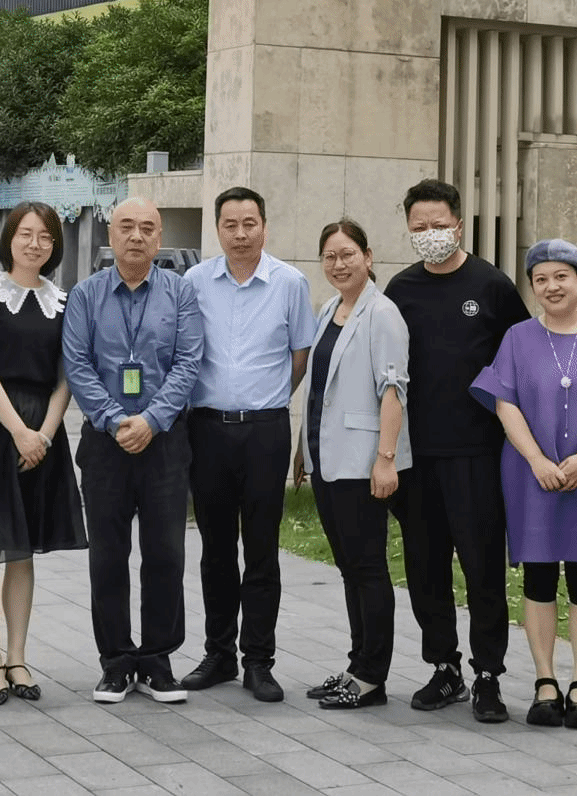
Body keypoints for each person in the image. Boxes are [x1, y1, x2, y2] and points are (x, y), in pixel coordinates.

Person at [470, 239, 577, 731]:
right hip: (534, 476)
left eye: (561, 276)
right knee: (539, 573)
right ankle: (545, 682)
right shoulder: (518, 338)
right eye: (541, 279)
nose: (551, 286)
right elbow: (504, 402)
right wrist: (537, 460)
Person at [383, 179, 530, 722]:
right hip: (417, 457)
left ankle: (488, 675)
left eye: (439, 224)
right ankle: (444, 667)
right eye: (419, 227)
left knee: (482, 569)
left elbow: (522, 362)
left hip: (478, 455)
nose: (430, 234)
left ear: (459, 225)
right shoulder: (400, 290)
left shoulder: (492, 286)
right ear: (408, 229)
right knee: (425, 569)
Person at [63, 198, 204, 705]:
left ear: (159, 238)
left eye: (147, 228)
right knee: (108, 555)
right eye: (127, 226)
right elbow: (77, 364)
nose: (137, 236)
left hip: (165, 442)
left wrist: (151, 420)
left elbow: (188, 362)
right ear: (111, 234)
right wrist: (113, 418)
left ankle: (158, 661)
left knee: (165, 552)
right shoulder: (85, 295)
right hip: (105, 443)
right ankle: (117, 662)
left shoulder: (180, 293)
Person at [179, 187, 314, 704]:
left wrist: (265, 398)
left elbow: (299, 357)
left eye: (249, 223)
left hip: (264, 431)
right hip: (207, 429)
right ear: (218, 229)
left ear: (264, 226)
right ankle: (219, 654)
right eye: (230, 225)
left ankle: (259, 661)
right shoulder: (194, 282)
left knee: (261, 549)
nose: (240, 234)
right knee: (215, 549)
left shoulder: (290, 283)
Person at [0, 202, 88, 705]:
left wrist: (45, 436)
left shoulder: (65, 300)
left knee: (24, 548)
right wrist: (19, 431)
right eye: (25, 234)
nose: (35, 244)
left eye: (45, 236)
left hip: (43, 434)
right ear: (9, 238)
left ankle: (18, 657)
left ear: (55, 245)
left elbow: (66, 377)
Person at [298, 219, 410, 710]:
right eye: (330, 256)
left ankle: (371, 677)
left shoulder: (382, 313)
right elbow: (319, 388)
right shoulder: (330, 309)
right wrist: (302, 448)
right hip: (327, 458)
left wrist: (385, 460)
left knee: (367, 568)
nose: (339, 264)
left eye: (347, 254)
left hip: (363, 463)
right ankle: (356, 663)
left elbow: (394, 391)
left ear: (368, 256)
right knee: (349, 567)